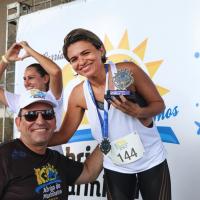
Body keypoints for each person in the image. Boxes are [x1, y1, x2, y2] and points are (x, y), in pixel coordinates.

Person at [49, 28, 171, 200]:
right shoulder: (78, 93)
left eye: (85, 53)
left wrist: (139, 111)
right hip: (115, 164)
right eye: (74, 59)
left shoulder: (127, 71)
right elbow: (63, 135)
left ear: (100, 50)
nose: (81, 61)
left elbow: (159, 105)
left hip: (151, 158)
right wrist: (27, 143)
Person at [0, 89, 103, 200]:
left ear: (54, 122)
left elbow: (89, 173)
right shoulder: (4, 156)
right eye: (31, 115)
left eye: (47, 114)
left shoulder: (55, 158)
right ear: (18, 123)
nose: (40, 121)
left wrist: (109, 137)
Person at [0, 41, 63, 153]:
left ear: (45, 79)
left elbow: (56, 72)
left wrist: (30, 51)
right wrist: (5, 59)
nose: (26, 82)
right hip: (26, 160)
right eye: (24, 79)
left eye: (31, 78)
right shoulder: (19, 100)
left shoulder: (53, 96)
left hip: (53, 161)